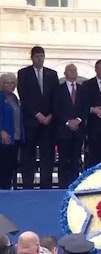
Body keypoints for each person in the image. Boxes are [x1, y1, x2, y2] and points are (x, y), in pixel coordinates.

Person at [16, 46, 59, 189]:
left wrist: (50, 115)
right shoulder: (23, 73)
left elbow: (55, 97)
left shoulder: (52, 74)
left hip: (48, 122)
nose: (39, 59)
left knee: (47, 154)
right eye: (37, 56)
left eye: (41, 56)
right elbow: (24, 96)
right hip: (31, 121)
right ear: (32, 57)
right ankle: (28, 184)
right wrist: (37, 114)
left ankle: (46, 185)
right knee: (29, 154)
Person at [52, 64, 87, 188]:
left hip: (78, 131)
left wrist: (78, 120)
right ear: (65, 73)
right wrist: (67, 122)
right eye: (71, 70)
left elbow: (85, 107)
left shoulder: (82, 89)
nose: (73, 72)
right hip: (63, 130)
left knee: (75, 161)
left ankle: (74, 186)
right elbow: (56, 109)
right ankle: (62, 186)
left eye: (75, 70)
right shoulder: (58, 89)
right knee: (63, 160)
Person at [0, 73, 24, 190]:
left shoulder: (14, 98)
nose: (10, 85)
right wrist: (1, 131)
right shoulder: (0, 97)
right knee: (3, 166)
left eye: (12, 83)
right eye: (7, 83)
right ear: (2, 84)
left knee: (11, 166)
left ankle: (7, 189)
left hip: (16, 137)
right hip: (4, 138)